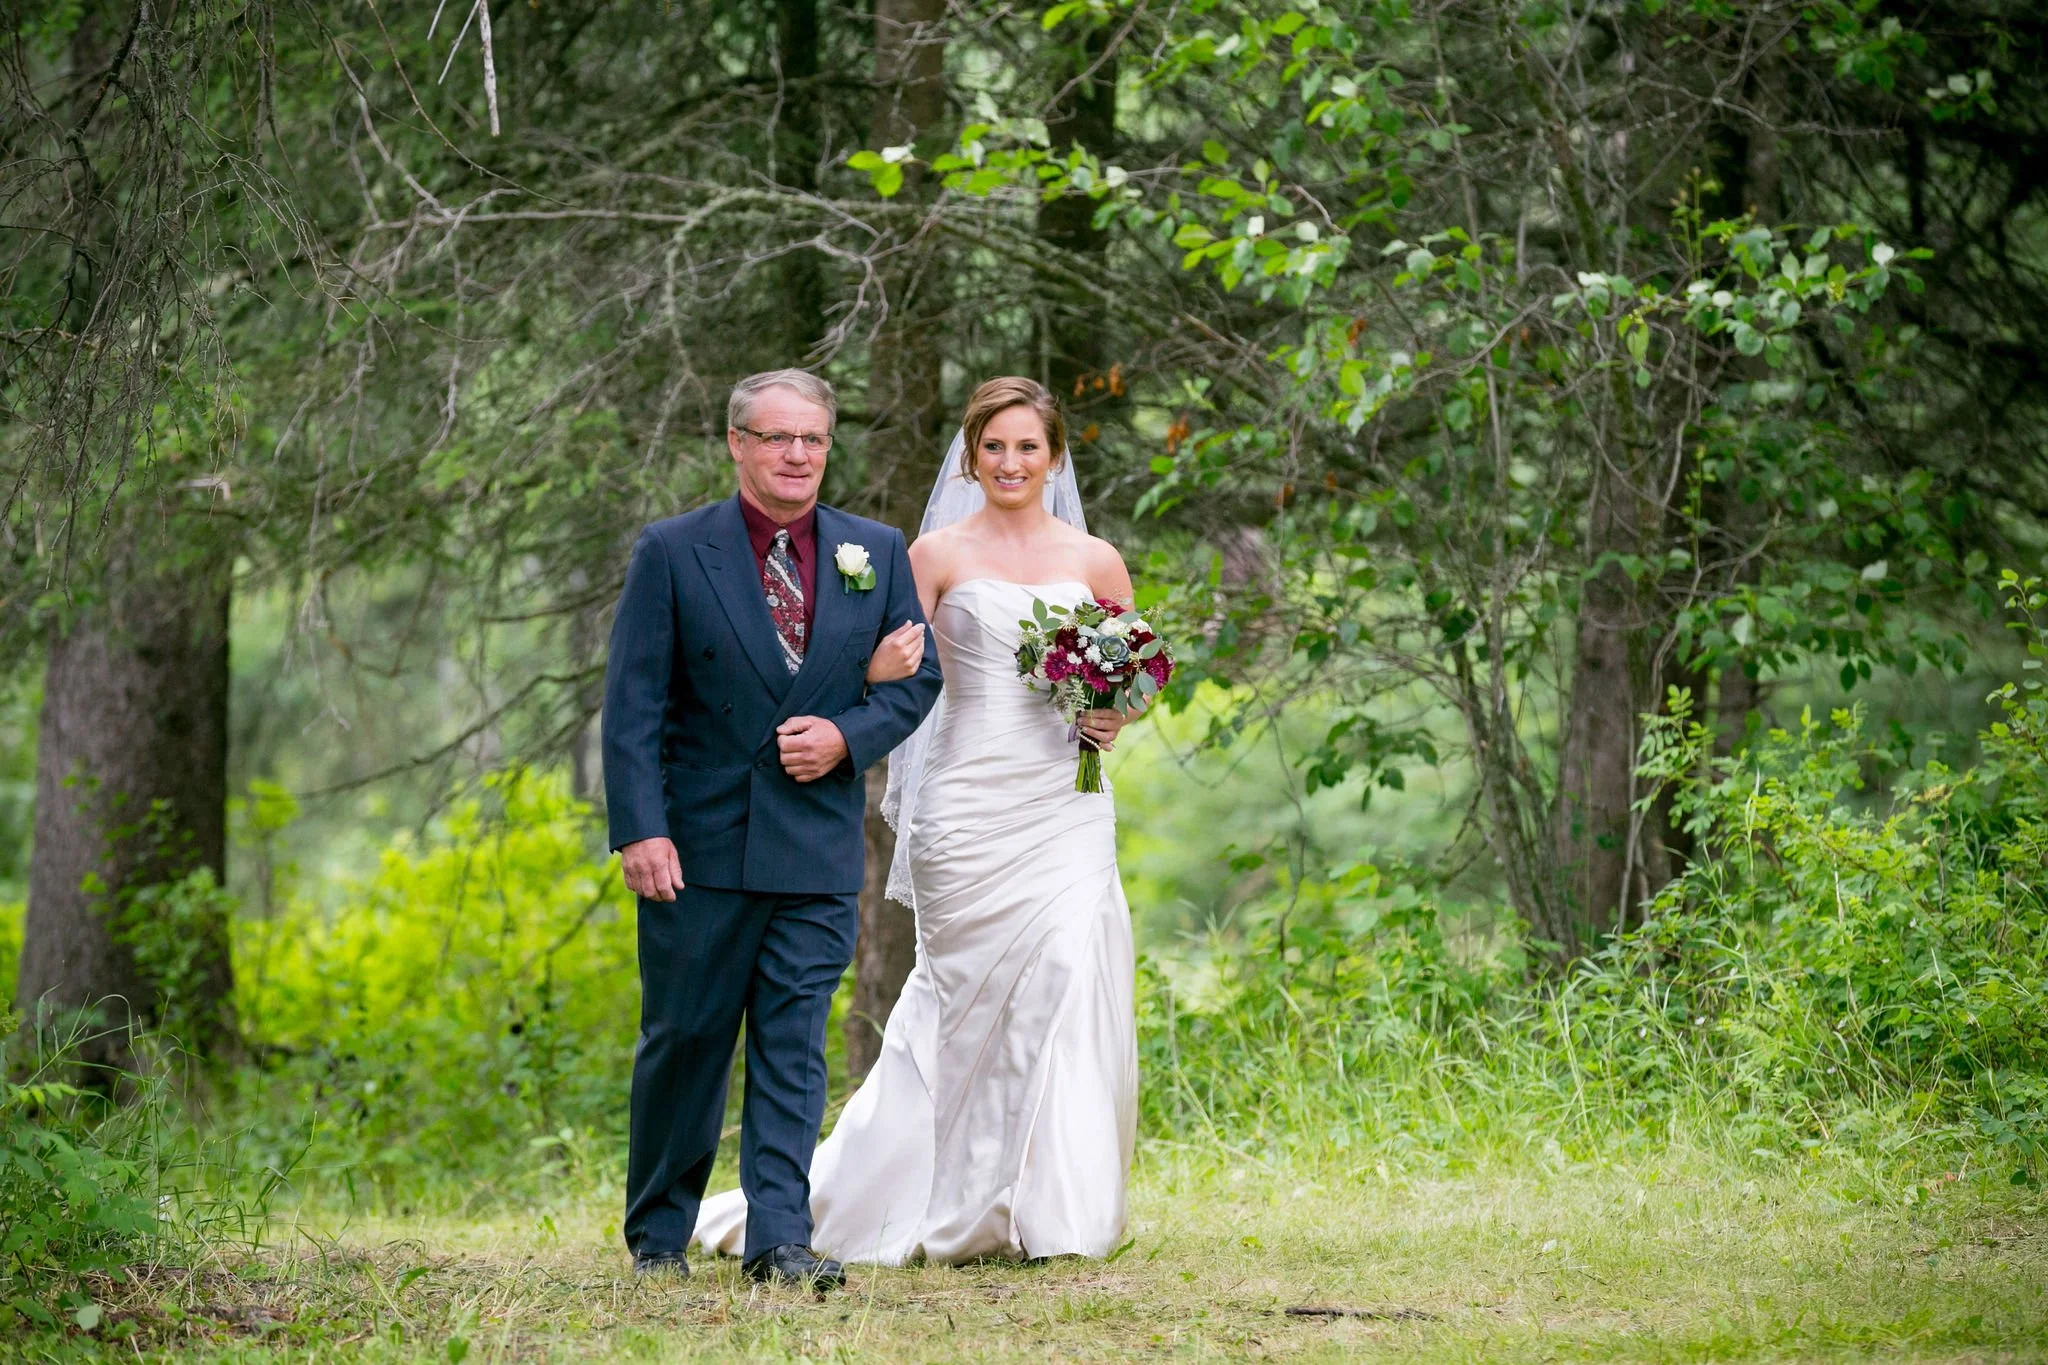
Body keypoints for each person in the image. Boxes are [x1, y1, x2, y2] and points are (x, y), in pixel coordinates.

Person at [694, 375, 1140, 1265]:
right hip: (966, 803)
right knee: (959, 1003)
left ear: (1055, 458)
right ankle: (913, 1199)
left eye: (1028, 447)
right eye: (994, 446)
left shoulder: (1096, 559)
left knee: (1069, 970)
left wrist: (1112, 715)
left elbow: (1125, 674)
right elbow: (863, 670)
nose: (1010, 462)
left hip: (1065, 799)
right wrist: (879, 670)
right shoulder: (930, 554)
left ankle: (1057, 1209)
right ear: (970, 457)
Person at [602, 368, 942, 1288]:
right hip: (697, 848)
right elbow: (632, 703)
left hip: (813, 847)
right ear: (738, 445)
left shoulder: (874, 548)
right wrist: (640, 828)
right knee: (687, 1039)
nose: (798, 455)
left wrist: (845, 732)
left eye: (814, 439)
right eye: (778, 438)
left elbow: (918, 678)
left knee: (794, 1045)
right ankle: (658, 1239)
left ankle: (781, 1242)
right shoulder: (673, 551)